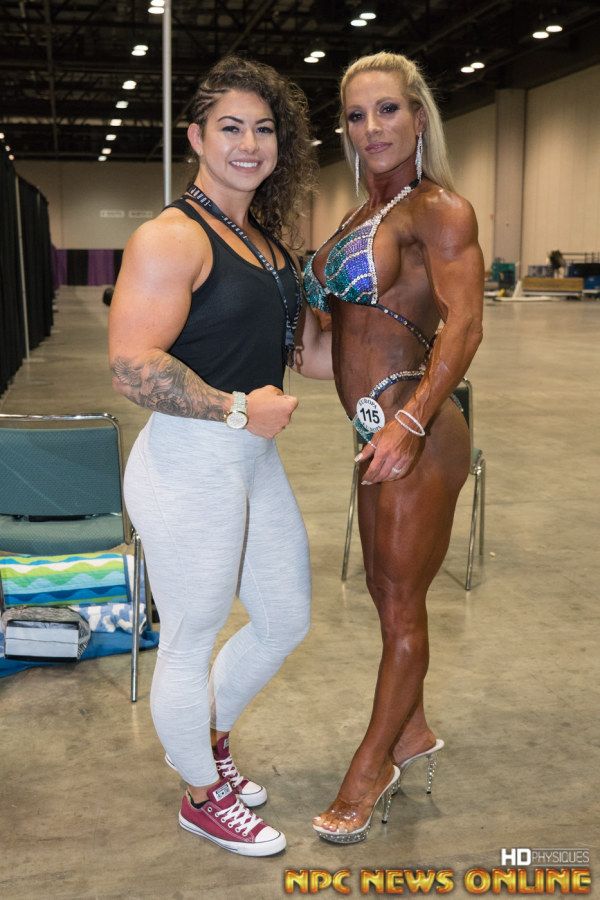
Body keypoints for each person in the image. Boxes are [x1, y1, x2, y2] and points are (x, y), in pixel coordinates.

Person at [108, 56, 328, 857]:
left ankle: (212, 745)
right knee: (192, 635)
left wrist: (407, 331)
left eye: (264, 129)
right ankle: (201, 796)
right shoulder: (172, 236)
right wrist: (237, 408)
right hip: (188, 461)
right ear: (196, 137)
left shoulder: (268, 246)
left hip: (249, 458)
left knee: (284, 619)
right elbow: (132, 364)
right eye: (230, 127)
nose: (249, 144)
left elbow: (309, 357)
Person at [302, 51, 484, 843]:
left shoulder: (439, 209)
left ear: (418, 115)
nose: (371, 128)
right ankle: (411, 733)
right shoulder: (355, 216)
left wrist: (409, 425)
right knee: (383, 591)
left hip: (420, 432)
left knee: (403, 606)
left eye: (387, 110)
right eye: (355, 115)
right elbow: (331, 344)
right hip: (373, 432)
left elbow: (465, 325)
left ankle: (369, 769)